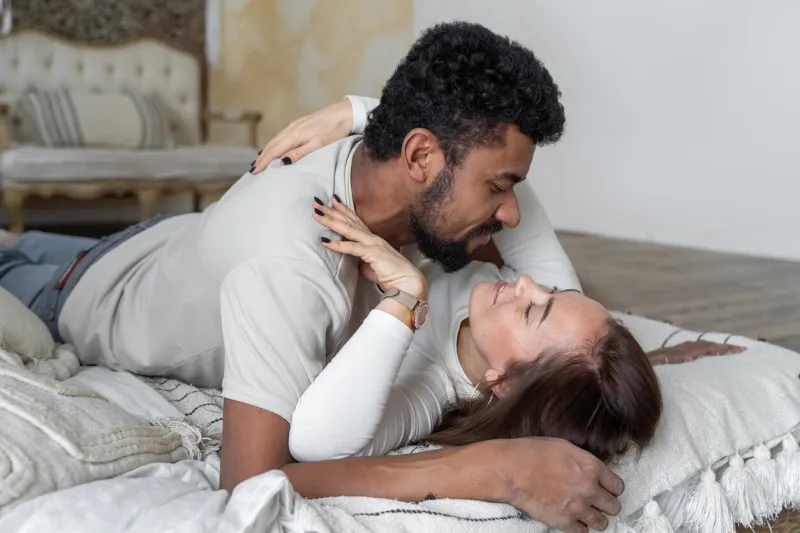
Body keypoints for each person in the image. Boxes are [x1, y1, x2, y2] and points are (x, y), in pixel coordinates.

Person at [0, 22, 739, 533]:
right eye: (500, 185)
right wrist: (495, 469)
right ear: (419, 157)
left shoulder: (418, 183)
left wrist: (641, 356)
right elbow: (253, 483)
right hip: (82, 291)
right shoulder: (291, 264)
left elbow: (556, 292)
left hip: (164, 244)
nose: (513, 216)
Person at [288, 192, 665, 464]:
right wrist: (357, 112)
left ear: (503, 383)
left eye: (531, 312)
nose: (526, 283)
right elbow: (497, 173)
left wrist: (405, 298)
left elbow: (313, 442)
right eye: (552, 290)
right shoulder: (566, 309)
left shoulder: (432, 388)